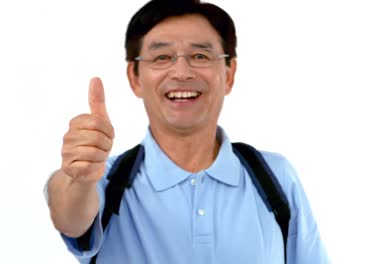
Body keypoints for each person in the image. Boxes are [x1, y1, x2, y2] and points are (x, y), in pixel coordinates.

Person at [45, 0, 330, 263]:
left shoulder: (276, 178)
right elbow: (69, 215)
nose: (181, 72)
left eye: (199, 55)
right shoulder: (106, 179)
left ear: (229, 74)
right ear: (134, 77)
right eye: (161, 57)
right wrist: (79, 180)